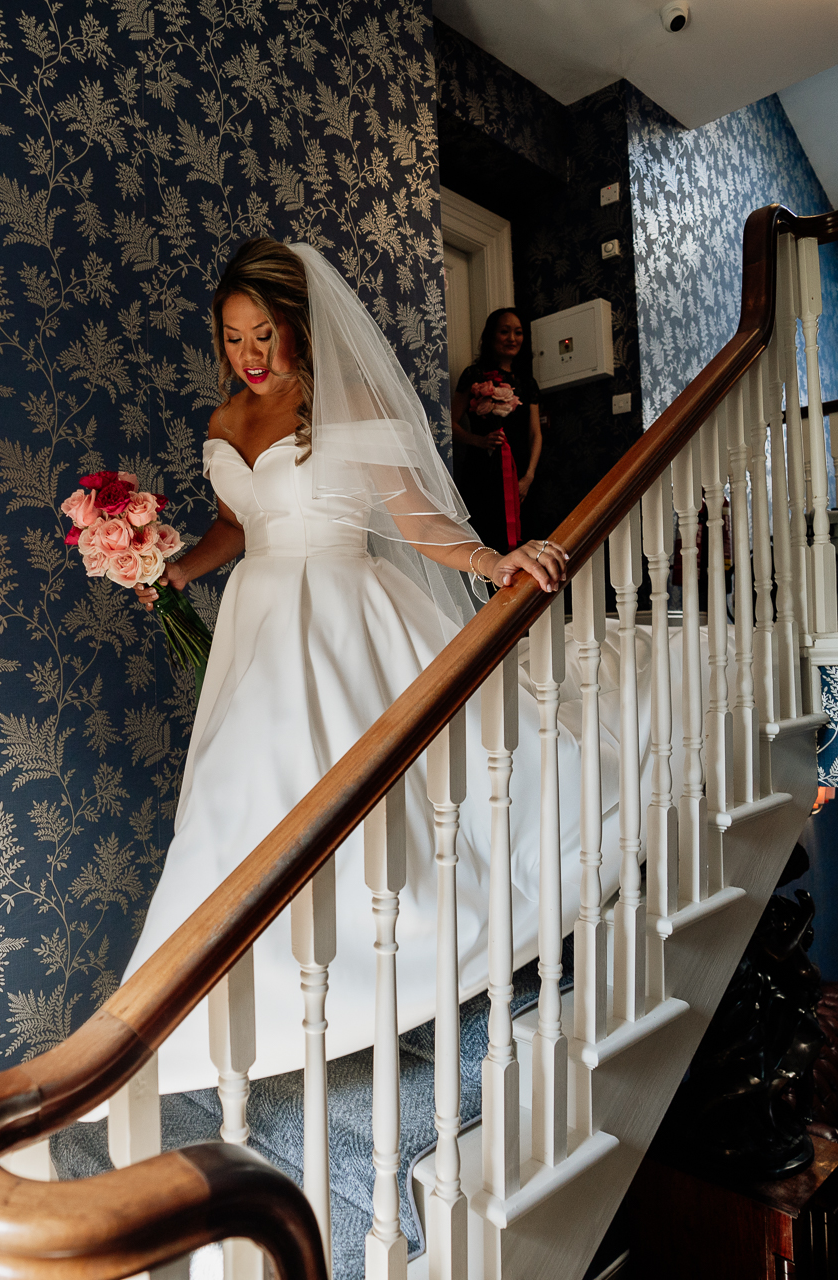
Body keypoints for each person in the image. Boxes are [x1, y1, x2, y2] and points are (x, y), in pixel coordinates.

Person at [126, 238, 653, 1094]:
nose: (250, 357)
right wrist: (178, 567)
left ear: (297, 325)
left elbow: (414, 521)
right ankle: (229, 1002)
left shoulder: (349, 400)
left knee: (358, 782)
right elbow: (238, 523)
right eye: (232, 338)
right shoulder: (222, 422)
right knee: (245, 793)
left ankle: (389, 964)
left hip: (341, 610)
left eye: (265, 334)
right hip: (255, 623)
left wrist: (490, 563)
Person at [451, 308, 542, 555]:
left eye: (518, 332)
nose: (512, 338)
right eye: (504, 331)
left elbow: (535, 433)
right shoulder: (473, 375)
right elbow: (450, 424)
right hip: (482, 471)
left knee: (526, 539)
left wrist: (529, 477)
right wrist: (477, 440)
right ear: (491, 336)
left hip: (521, 471)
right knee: (486, 539)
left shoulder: (527, 382)